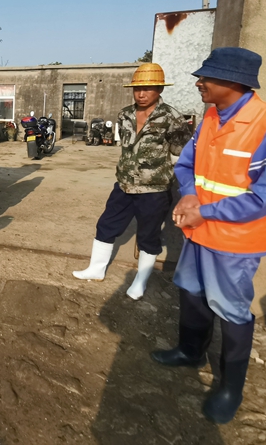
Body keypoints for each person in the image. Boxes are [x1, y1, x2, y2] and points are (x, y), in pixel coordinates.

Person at [151, 47, 266, 424]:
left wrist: (205, 211)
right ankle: (190, 352)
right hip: (200, 231)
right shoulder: (211, 117)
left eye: (207, 77)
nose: (199, 82)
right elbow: (187, 165)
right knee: (191, 292)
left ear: (234, 82)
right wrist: (189, 195)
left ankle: (231, 388)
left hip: (237, 240)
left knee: (231, 309)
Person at [73, 62, 191, 299]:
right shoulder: (125, 114)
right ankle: (96, 269)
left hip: (154, 189)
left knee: (148, 235)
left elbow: (182, 152)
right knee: (106, 225)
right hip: (124, 184)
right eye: (137, 88)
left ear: (160, 89)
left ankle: (140, 280)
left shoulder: (172, 118)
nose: (141, 93)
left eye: (148, 88)